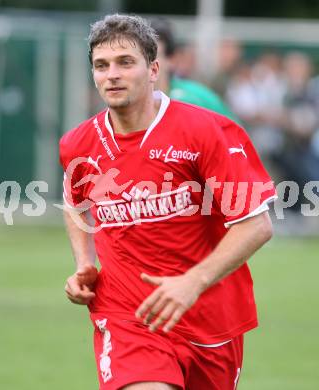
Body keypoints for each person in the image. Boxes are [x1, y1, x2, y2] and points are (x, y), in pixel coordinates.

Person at [60, 14, 276, 390]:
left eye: (125, 63)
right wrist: (84, 263)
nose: (112, 74)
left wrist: (193, 282)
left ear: (154, 69)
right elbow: (74, 201)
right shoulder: (78, 144)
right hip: (127, 316)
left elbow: (256, 224)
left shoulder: (206, 131)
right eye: (101, 65)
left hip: (211, 318)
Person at [151, 18, 237, 120]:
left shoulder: (192, 99)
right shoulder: (134, 102)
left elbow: (235, 131)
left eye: (153, 56)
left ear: (172, 60)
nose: (147, 62)